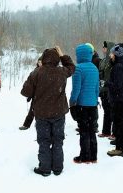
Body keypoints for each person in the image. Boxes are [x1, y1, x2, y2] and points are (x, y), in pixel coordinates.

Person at [21, 46, 75, 176]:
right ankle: (57, 168)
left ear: (44, 58)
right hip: (59, 113)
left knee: (44, 141)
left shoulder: (37, 72)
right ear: (57, 59)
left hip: (42, 114)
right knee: (58, 140)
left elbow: (25, 92)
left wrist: (35, 89)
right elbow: (72, 67)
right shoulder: (62, 71)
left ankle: (45, 168)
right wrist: (62, 55)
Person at [70, 43, 99, 164]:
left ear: (80, 55)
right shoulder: (95, 68)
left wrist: (72, 102)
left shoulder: (78, 69)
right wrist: (95, 100)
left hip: (82, 106)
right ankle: (93, 156)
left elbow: (76, 89)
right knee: (92, 131)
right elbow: (97, 89)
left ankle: (85, 157)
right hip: (93, 105)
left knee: (84, 132)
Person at [106, 43, 123, 157]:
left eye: (112, 54)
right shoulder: (122, 64)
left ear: (117, 55)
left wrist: (106, 83)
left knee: (119, 122)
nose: (110, 56)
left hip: (119, 98)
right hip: (121, 98)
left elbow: (117, 85)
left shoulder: (118, 67)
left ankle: (121, 148)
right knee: (121, 122)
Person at [98, 41, 116, 139]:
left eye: (104, 47)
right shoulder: (103, 60)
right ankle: (106, 131)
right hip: (103, 89)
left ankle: (115, 132)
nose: (103, 49)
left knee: (113, 112)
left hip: (111, 89)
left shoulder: (113, 61)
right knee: (106, 111)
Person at [19, 58, 42, 130]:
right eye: (39, 62)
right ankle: (26, 125)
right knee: (32, 110)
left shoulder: (47, 72)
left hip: (44, 95)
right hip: (35, 95)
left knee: (42, 112)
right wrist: (29, 95)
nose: (40, 63)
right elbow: (30, 85)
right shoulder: (34, 72)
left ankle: (39, 125)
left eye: (41, 62)